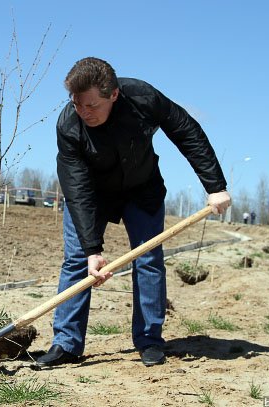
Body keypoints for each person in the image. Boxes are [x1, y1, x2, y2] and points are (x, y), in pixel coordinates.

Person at [36, 57, 231, 368]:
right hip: (92, 195)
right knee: (77, 260)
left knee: (148, 259)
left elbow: (186, 132)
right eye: (76, 104)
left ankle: (149, 340)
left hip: (142, 189)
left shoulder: (143, 98)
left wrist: (215, 186)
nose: (84, 112)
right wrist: (92, 250)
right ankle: (66, 343)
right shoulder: (69, 125)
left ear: (113, 94)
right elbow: (77, 187)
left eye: (91, 105)